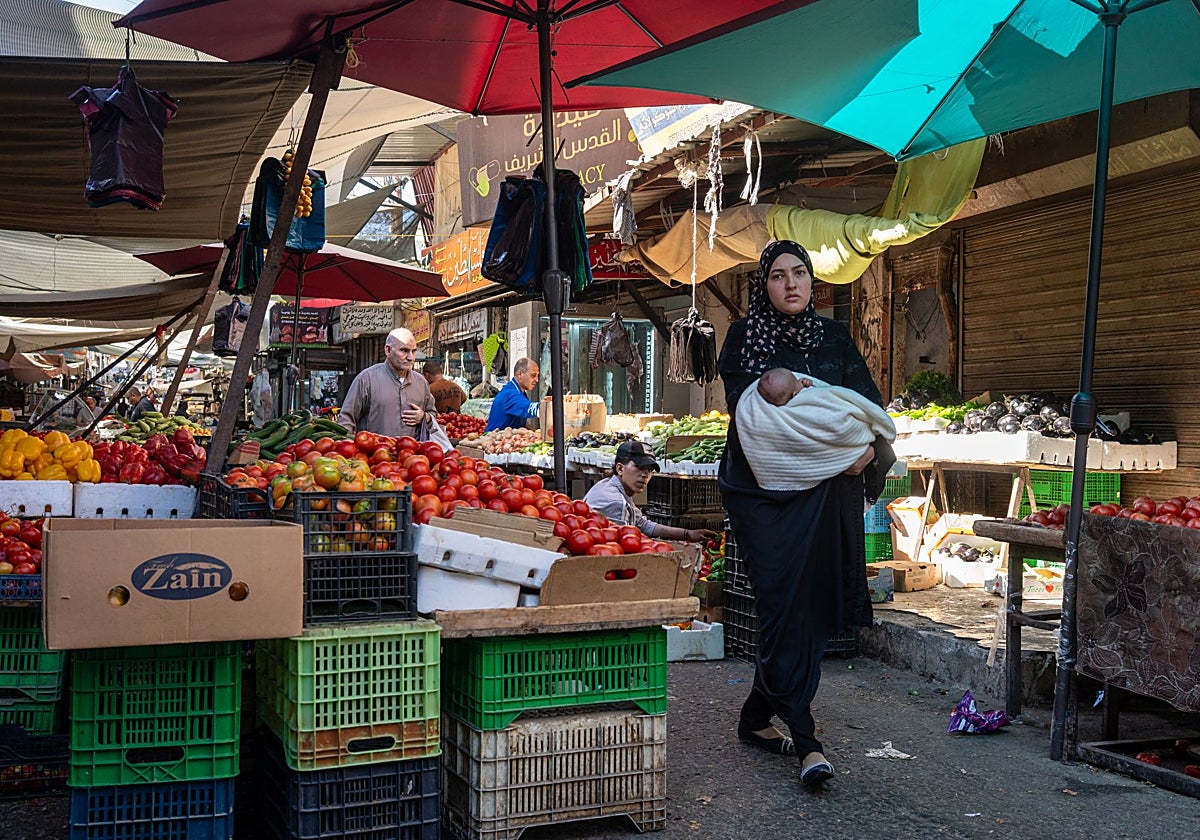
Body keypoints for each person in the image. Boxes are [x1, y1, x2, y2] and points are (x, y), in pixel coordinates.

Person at [718, 240, 894, 790]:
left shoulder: (836, 339)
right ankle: (807, 739)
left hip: (830, 498)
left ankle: (756, 717)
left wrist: (865, 454)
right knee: (780, 607)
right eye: (777, 275)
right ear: (762, 285)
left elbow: (869, 411)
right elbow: (757, 425)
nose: (791, 284)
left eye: (800, 273)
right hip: (765, 497)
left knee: (811, 609)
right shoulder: (744, 340)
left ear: (812, 282)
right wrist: (833, 450)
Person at [583, 441, 720, 544]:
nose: (645, 475)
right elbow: (620, 546)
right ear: (620, 468)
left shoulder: (612, 486)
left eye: (649, 470)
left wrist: (687, 534)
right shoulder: (615, 501)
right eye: (639, 467)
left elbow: (643, 525)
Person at [339, 327, 437, 438]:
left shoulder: (421, 382)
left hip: (412, 454)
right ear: (388, 350)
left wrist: (424, 417)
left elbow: (433, 415)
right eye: (404, 350)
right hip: (375, 453)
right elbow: (346, 420)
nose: (411, 357)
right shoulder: (367, 379)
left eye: (413, 351)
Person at [485, 357, 540, 432]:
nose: (537, 380)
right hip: (494, 440)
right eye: (533, 375)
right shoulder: (510, 394)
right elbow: (531, 409)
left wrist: (534, 432)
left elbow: (520, 420)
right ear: (520, 374)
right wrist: (550, 407)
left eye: (537, 375)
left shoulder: (521, 393)